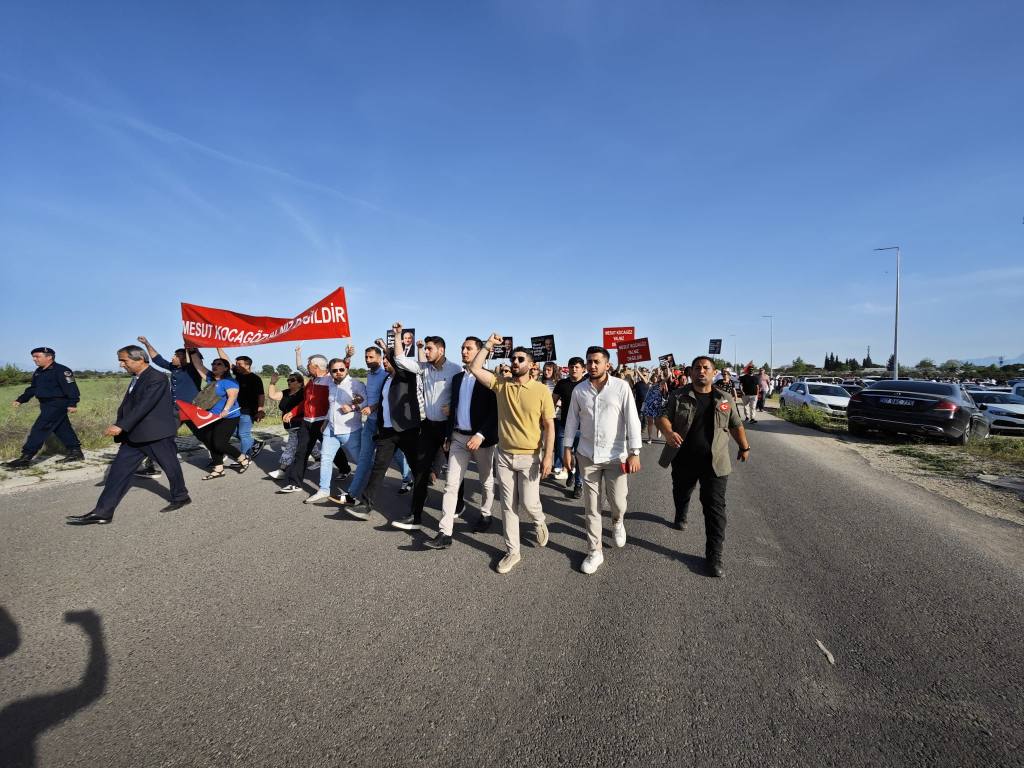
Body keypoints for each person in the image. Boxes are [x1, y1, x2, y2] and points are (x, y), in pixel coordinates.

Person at [66, 345, 190, 525]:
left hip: (156, 434)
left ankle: (181, 496)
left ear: (140, 360)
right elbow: (131, 404)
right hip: (135, 435)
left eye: (124, 360)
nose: (121, 365)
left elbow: (144, 405)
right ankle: (103, 512)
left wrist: (121, 425)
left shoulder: (157, 377)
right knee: (118, 472)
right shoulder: (137, 377)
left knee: (171, 467)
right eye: (120, 360)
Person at [656, 356, 750, 577]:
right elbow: (663, 417)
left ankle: (714, 557)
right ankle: (681, 513)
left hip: (715, 464)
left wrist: (744, 447)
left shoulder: (724, 398)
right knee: (681, 492)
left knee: (715, 510)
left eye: (706, 368)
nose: (701, 371)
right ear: (691, 372)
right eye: (697, 368)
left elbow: (736, 425)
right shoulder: (679, 395)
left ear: (713, 372)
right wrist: (669, 432)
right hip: (683, 460)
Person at [469, 334, 555, 574]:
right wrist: (488, 346)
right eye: (513, 359)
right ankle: (512, 551)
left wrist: (548, 456)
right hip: (505, 456)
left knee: (529, 502)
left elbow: (549, 425)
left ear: (531, 364)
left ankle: (538, 521)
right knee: (508, 506)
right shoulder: (500, 384)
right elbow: (475, 367)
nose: (515, 362)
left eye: (520, 359)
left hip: (530, 457)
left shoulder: (540, 390)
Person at [563, 346, 643, 574]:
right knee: (591, 507)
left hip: (616, 456)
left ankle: (617, 522)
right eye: (589, 362)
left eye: (597, 361)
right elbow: (571, 421)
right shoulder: (579, 390)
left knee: (618, 501)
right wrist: (567, 448)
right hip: (587, 455)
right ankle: (594, 551)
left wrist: (635, 451)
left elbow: (632, 419)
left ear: (608, 364)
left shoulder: (621, 387)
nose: (592, 366)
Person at [424, 337, 499, 549]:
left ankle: (486, 515)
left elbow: (495, 411)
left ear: (480, 352)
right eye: (463, 348)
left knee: (486, 480)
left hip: (482, 440)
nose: (464, 352)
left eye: (469, 348)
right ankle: (445, 532)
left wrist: (481, 434)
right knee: (451, 484)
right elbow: (454, 409)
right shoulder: (457, 378)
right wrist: (448, 436)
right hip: (458, 438)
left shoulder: (490, 378)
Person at [391, 323, 461, 530]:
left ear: (441, 350)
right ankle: (416, 516)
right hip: (428, 427)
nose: (426, 352)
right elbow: (400, 360)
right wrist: (397, 336)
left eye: (430, 348)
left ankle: (461, 503)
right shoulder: (423, 369)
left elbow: (463, 397)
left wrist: (453, 408)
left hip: (448, 429)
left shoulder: (456, 370)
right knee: (420, 470)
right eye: (426, 348)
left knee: (455, 471)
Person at [358, 341, 424, 529]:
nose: (385, 363)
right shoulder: (387, 380)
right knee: (379, 467)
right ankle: (365, 505)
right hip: (387, 431)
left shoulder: (406, 377)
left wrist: (388, 347)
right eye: (385, 360)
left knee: (418, 470)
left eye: (387, 360)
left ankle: (416, 513)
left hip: (407, 431)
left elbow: (398, 364)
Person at [277, 350, 349, 494]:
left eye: (309, 364)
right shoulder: (311, 381)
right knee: (301, 452)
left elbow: (343, 370)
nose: (307, 366)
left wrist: (348, 356)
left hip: (323, 422)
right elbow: (306, 401)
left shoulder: (330, 379)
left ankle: (345, 469)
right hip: (307, 422)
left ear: (316, 366)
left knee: (332, 450)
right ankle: (295, 483)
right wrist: (293, 412)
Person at [134, 336, 203, 477]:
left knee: (205, 434)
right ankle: (152, 466)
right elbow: (157, 359)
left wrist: (191, 346)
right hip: (176, 410)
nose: (173, 357)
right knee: (163, 435)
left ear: (185, 359)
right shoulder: (173, 368)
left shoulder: (192, 369)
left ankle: (223, 453)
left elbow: (197, 360)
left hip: (192, 409)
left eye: (177, 356)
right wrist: (147, 343)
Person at [5, 347, 83, 469]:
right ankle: (76, 452)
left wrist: (73, 403)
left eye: (37, 356)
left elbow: (72, 388)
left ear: (49, 357)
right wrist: (21, 399)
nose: (34, 359)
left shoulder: (63, 371)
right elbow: (33, 388)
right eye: (33, 357)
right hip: (45, 404)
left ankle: (25, 458)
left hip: (57, 404)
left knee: (39, 429)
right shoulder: (38, 372)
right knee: (62, 428)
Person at [306, 358, 366, 504]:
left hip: (349, 430)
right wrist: (326, 422)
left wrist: (352, 407)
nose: (338, 372)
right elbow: (331, 406)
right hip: (331, 430)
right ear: (330, 372)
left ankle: (364, 490)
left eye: (341, 369)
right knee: (326, 459)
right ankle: (323, 490)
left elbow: (366, 402)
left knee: (361, 462)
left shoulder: (355, 384)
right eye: (334, 370)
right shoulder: (331, 385)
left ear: (346, 369)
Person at [189, 352, 250, 479]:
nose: (214, 366)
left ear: (226, 368)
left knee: (219, 443)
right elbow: (198, 365)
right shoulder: (211, 379)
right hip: (212, 416)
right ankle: (219, 468)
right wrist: (192, 350)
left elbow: (232, 397)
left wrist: (226, 409)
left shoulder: (229, 381)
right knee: (210, 441)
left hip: (228, 417)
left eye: (219, 364)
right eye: (213, 364)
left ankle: (242, 458)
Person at [215, 349, 266, 459]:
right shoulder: (238, 373)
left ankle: (245, 457)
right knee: (233, 432)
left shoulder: (255, 379)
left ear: (247, 366)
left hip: (248, 410)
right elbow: (226, 360)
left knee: (243, 434)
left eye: (239, 364)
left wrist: (260, 410)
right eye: (236, 363)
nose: (236, 365)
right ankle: (255, 442)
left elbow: (261, 395)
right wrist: (218, 347)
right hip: (235, 410)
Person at [552, 356, 587, 497]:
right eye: (571, 366)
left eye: (577, 367)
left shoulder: (588, 383)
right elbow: (552, 401)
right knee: (560, 454)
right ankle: (570, 471)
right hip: (564, 425)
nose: (574, 369)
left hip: (583, 427)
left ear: (583, 369)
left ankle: (578, 485)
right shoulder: (562, 383)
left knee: (580, 457)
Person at [266, 371, 305, 479]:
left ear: (300, 383)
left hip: (300, 424)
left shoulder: (304, 393)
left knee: (290, 446)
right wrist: (272, 383)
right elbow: (272, 396)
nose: (289, 382)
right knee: (306, 444)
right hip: (289, 426)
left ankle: (282, 470)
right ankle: (318, 458)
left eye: (292, 380)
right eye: (288, 380)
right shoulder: (286, 392)